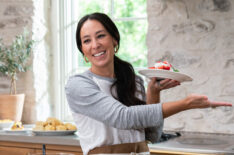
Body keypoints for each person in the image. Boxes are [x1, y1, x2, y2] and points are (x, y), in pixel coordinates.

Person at [65, 12, 232, 155]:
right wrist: (186, 104)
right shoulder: (79, 85)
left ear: (114, 40)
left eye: (101, 36)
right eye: (87, 41)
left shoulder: (133, 80)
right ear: (83, 51)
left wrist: (153, 93)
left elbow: (152, 136)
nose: (95, 45)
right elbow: (123, 117)